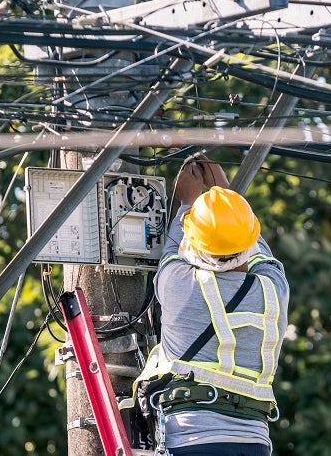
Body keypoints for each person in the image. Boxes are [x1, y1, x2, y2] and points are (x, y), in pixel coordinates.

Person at [132, 157, 289, 456]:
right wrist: (228, 197)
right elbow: (256, 249)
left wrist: (187, 202)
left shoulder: (180, 285)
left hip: (193, 440)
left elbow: (172, 250)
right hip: (254, 444)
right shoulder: (275, 289)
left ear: (196, 244)